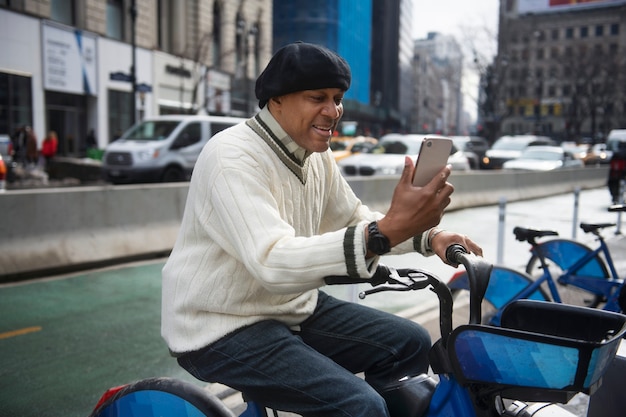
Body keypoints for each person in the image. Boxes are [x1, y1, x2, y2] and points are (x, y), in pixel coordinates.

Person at [161, 42, 482, 417]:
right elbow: (272, 261)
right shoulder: (231, 156)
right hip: (218, 325)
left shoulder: (316, 155)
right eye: (318, 98)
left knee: (410, 341)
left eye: (338, 98)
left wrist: (430, 238)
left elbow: (352, 217)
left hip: (289, 307)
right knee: (361, 407)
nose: (334, 111)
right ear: (276, 100)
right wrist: (386, 231)